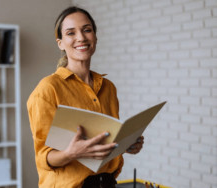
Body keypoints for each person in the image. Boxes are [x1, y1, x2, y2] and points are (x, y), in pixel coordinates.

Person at [27, 6, 144, 188]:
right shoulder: (48, 90)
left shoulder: (108, 88)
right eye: (71, 33)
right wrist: (70, 153)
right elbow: (43, 157)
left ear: (95, 37)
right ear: (60, 43)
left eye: (87, 30)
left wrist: (125, 144)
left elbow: (106, 141)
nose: (81, 37)